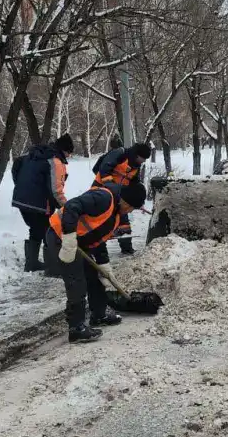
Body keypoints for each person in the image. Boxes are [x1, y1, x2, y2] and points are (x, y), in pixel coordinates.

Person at [46, 178, 147, 343]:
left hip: (80, 242)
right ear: (125, 200)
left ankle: (98, 314)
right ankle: (76, 328)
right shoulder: (103, 198)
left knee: (95, 275)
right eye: (130, 207)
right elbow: (72, 207)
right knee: (76, 280)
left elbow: (98, 239)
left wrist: (104, 265)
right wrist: (69, 238)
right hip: (61, 237)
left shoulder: (115, 212)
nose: (129, 212)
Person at [12, 133, 74, 272]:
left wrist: (22, 188)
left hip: (22, 199)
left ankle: (32, 263)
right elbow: (55, 189)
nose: (69, 156)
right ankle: (53, 268)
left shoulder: (35, 156)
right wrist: (68, 207)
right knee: (48, 231)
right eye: (69, 152)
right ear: (64, 150)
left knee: (36, 229)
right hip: (38, 203)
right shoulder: (54, 161)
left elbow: (16, 166)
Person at [91, 142, 152, 258]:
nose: (143, 161)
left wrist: (137, 201)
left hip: (119, 194)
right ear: (137, 155)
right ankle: (96, 249)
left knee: (123, 219)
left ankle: (127, 248)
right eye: (143, 158)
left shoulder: (136, 166)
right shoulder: (120, 154)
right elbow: (104, 169)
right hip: (101, 190)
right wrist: (113, 188)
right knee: (100, 219)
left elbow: (135, 184)